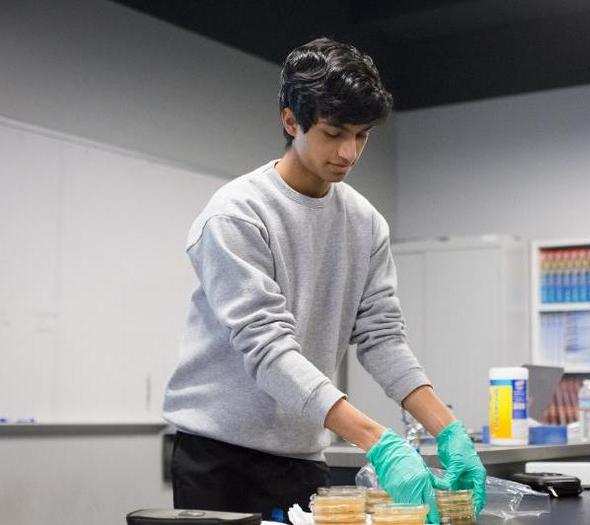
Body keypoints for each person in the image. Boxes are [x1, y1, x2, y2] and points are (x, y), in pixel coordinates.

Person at [163, 37, 486, 523]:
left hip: (303, 454)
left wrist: (448, 430)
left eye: (362, 136)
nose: (349, 152)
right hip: (218, 458)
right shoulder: (237, 215)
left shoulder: (365, 223)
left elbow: (382, 338)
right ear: (290, 121)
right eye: (334, 132)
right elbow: (268, 350)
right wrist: (378, 442)